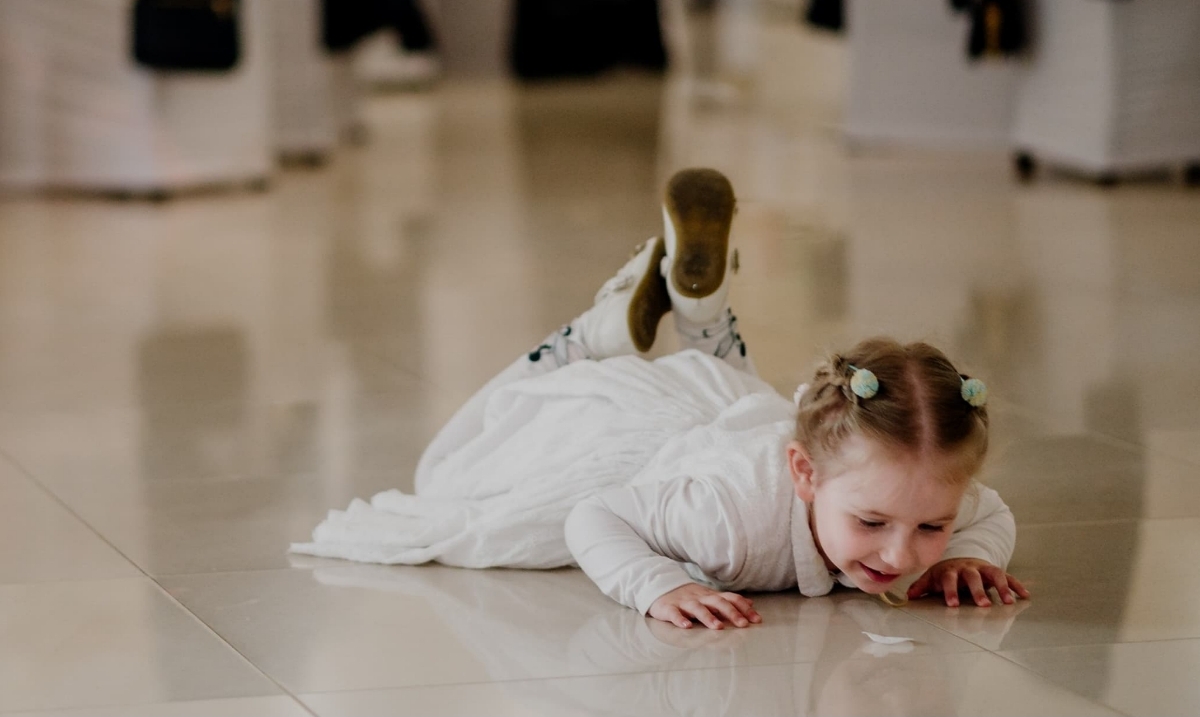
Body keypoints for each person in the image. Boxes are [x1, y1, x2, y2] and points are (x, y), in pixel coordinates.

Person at [291, 168, 1030, 629]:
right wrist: (658, 584)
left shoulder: (910, 479)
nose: (901, 553)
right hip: (638, 440)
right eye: (871, 522)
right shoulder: (726, 522)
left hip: (729, 415)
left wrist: (965, 555)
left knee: (745, 397)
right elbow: (594, 514)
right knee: (447, 474)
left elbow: (992, 512)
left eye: (932, 526)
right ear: (804, 473)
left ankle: (706, 320)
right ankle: (588, 336)